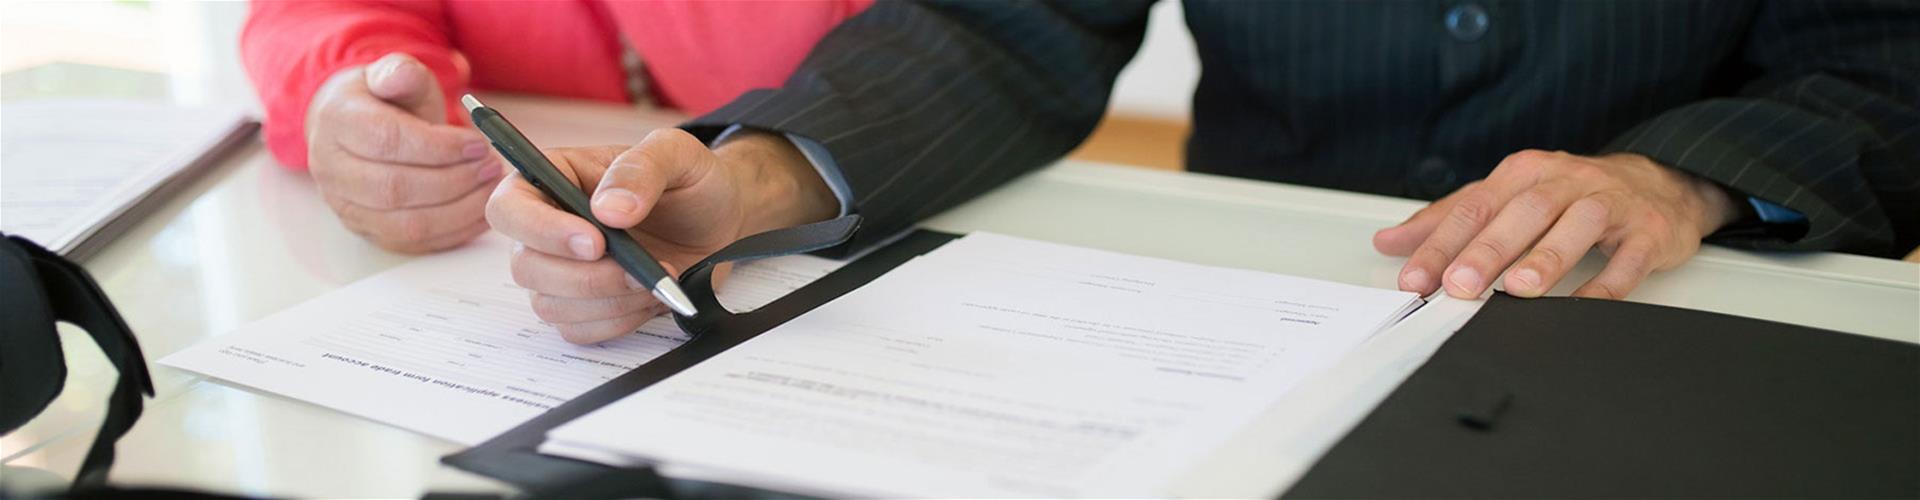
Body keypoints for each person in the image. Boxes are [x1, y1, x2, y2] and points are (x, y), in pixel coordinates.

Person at [489, 1, 1919, 343]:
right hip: (1265, 313)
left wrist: (1685, 177)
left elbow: (1887, 47)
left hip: (1687, 303)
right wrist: (753, 181)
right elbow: (1011, 22)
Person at [240, 0, 870, 253]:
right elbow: (317, 12)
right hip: (497, 253)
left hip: (863, 186)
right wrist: (348, 83)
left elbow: (945, 41)